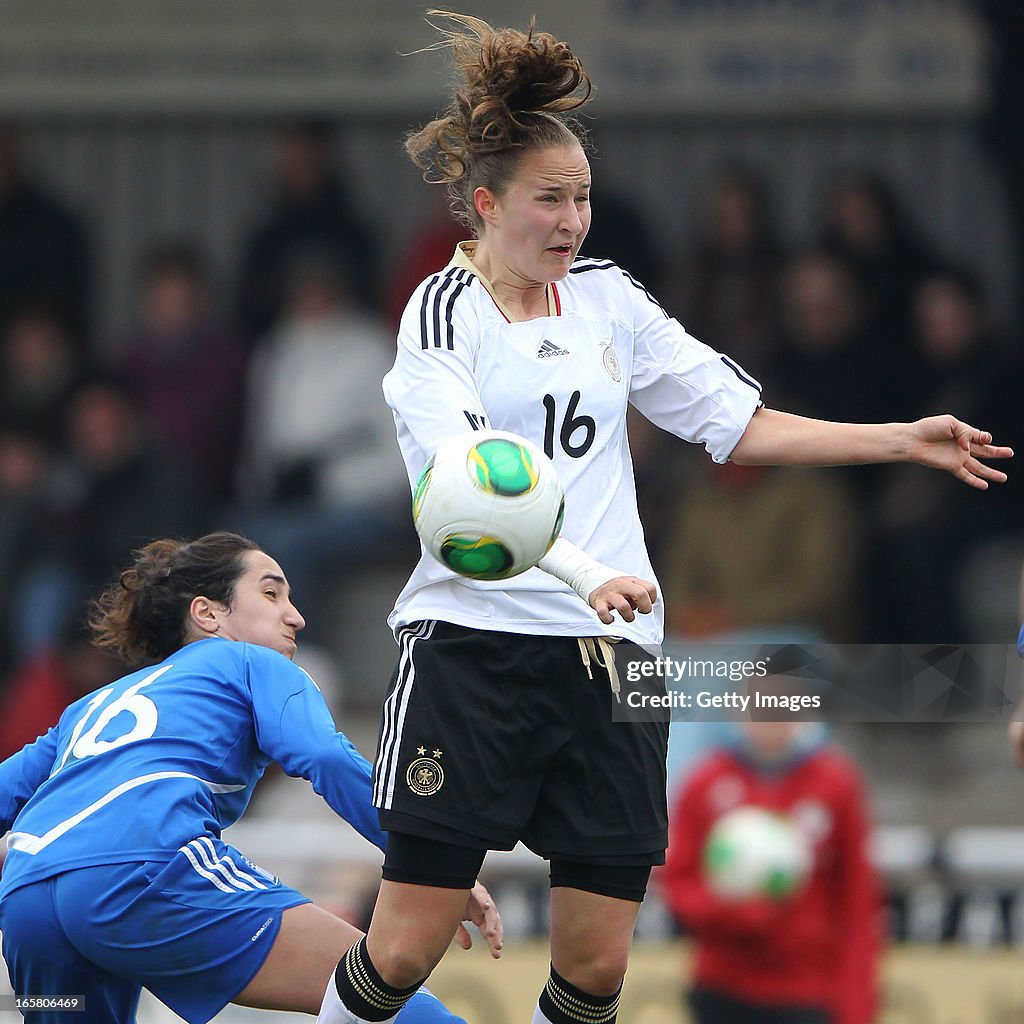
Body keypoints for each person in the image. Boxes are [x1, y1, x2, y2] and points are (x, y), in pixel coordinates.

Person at [313, 13, 1012, 1024]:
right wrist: (584, 572)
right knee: (406, 945)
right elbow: (473, 493)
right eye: (548, 199)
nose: (571, 220)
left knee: (597, 965)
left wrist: (899, 438)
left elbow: (740, 425)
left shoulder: (610, 303)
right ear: (484, 203)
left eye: (583, 198)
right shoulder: (442, 313)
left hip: (614, 663)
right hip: (477, 652)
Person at [0, 531, 499, 1023]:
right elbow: (325, 757)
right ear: (208, 613)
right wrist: (428, 863)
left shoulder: (90, 706)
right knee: (384, 995)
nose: (295, 614)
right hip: (144, 867)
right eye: (271, 592)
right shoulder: (249, 660)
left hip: (28, 898)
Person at [660, 714, 883, 1024]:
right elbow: (678, 884)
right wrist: (733, 912)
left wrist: (857, 1006)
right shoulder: (705, 780)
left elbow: (857, 903)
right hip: (722, 988)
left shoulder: (835, 783)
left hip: (806, 991)